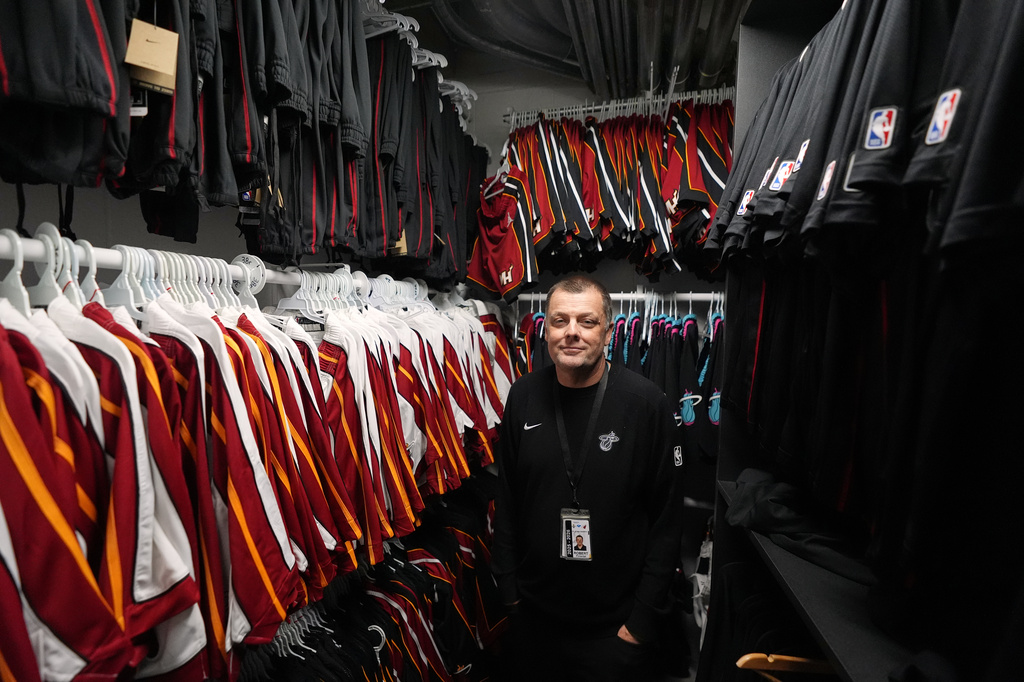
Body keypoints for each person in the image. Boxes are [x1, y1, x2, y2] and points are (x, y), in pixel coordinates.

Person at [492, 274, 686, 682]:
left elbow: (667, 524)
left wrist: (639, 625)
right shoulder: (523, 395)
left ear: (609, 331)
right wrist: (508, 594)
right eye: (560, 321)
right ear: (545, 329)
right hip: (534, 621)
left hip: (614, 630)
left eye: (587, 321)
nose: (572, 333)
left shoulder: (646, 404)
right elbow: (507, 500)